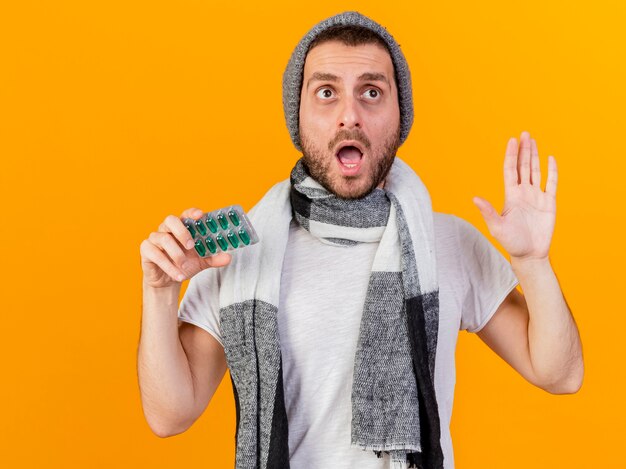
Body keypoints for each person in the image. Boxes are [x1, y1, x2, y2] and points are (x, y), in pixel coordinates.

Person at [137, 11, 583, 469]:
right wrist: (160, 291)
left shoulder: (445, 242)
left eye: (372, 92)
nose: (349, 116)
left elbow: (560, 374)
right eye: (326, 93)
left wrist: (533, 261)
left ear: (400, 115)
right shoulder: (242, 253)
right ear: (298, 115)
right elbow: (169, 414)